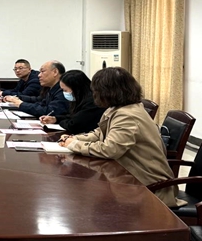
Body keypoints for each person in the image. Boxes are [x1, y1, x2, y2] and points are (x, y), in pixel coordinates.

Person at [59, 67, 183, 207]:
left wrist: (74, 145)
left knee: (89, 200)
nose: (93, 94)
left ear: (106, 92)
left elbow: (110, 150)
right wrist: (75, 139)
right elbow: (100, 133)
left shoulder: (127, 115)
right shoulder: (118, 109)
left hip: (147, 185)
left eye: (96, 90)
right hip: (131, 176)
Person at [39, 70, 106, 134]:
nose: (64, 93)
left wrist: (61, 122)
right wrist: (55, 119)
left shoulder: (92, 102)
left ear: (76, 89)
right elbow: (72, 116)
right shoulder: (79, 99)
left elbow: (73, 125)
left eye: (65, 90)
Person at [5, 60, 70, 117]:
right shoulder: (49, 87)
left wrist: (21, 104)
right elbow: (40, 101)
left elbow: (49, 111)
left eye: (42, 71)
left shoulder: (64, 90)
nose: (39, 75)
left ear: (55, 72)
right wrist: (19, 99)